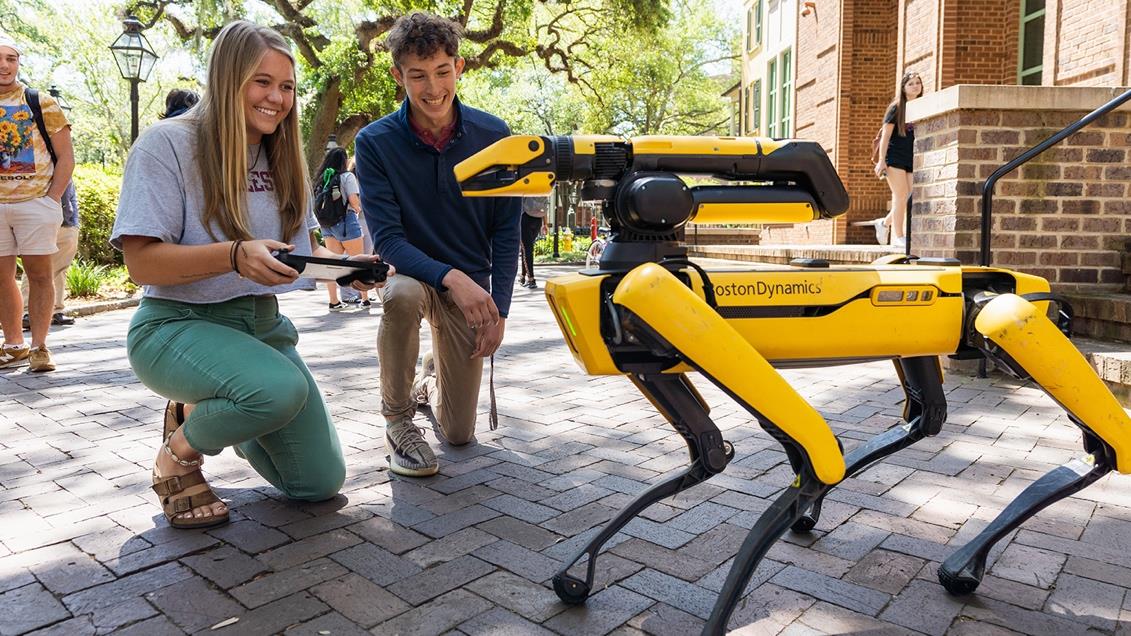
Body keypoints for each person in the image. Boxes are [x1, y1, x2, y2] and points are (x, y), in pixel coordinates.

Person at [111, 21, 387, 529]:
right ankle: (178, 455)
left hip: (262, 328)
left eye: (286, 87)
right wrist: (233, 255)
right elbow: (141, 263)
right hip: (175, 326)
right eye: (262, 82)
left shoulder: (281, 155)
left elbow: (298, 252)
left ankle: (214, 407)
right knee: (279, 390)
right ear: (227, 77)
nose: (276, 98)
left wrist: (348, 271)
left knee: (318, 483)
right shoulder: (166, 144)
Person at [355, 12, 521, 477]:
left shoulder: (495, 136)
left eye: (442, 72)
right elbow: (387, 239)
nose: (433, 88)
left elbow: (506, 232)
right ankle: (398, 420)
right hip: (417, 275)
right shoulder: (375, 142)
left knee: (459, 434)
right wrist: (452, 279)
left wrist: (500, 309)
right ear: (397, 75)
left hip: (469, 285)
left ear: (460, 67)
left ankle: (428, 382)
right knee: (400, 295)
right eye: (418, 76)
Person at [0, 37, 74, 372]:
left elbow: (66, 157)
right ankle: (13, 345)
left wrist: (52, 198)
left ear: (19, 63)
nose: (5, 65)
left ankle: (40, 347)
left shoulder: (40, 102)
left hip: (35, 203)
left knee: (40, 275)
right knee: (2, 277)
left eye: (11, 58)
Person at [870, 71, 923, 249]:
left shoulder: (922, 106)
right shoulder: (896, 107)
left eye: (918, 83)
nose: (915, 86)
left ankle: (884, 224)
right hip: (894, 157)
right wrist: (881, 160)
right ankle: (899, 236)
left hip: (911, 157)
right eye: (911, 84)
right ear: (903, 88)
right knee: (900, 196)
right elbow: (885, 136)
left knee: (909, 197)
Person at [314, 147, 370, 311]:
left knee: (333, 263)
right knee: (360, 261)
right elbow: (353, 201)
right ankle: (365, 299)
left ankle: (334, 301)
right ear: (344, 161)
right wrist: (358, 209)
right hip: (347, 222)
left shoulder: (323, 177)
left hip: (327, 226)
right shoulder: (347, 176)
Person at [21, 181, 78, 329]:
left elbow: (71, 195)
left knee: (61, 268)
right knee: (35, 265)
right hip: (42, 222)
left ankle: (57, 310)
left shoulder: (65, 166)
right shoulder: (39, 167)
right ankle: (27, 312)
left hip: (67, 223)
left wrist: (74, 222)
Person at [518, 196, 548, 289]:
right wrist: (545, 224)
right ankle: (523, 277)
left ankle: (531, 279)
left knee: (527, 249)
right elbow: (545, 206)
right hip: (538, 220)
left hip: (525, 218)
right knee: (527, 249)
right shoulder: (541, 188)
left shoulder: (526, 186)